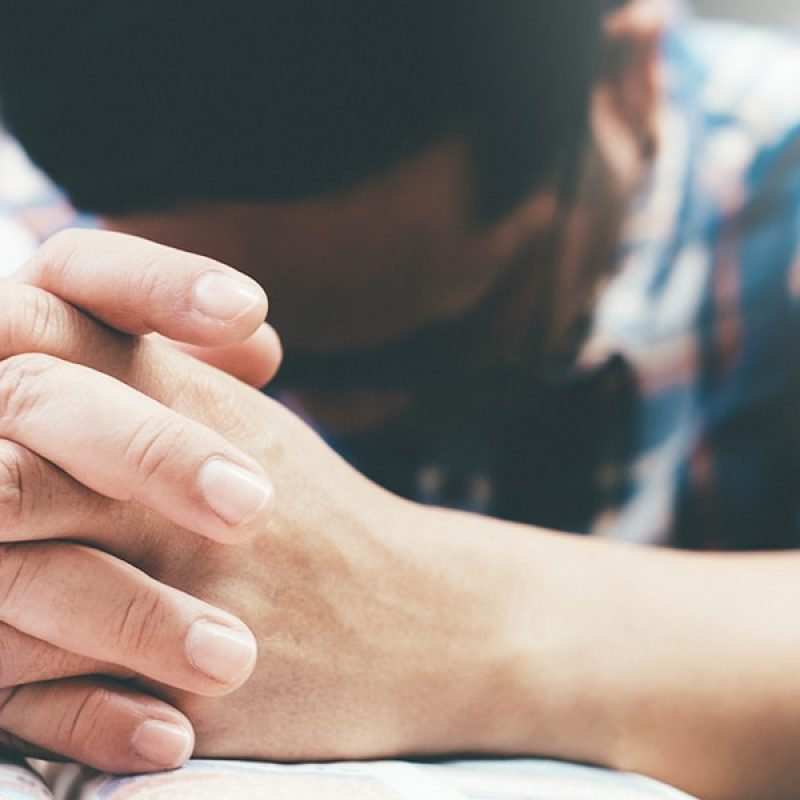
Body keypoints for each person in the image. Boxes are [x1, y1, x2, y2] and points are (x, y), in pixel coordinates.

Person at [0, 0, 800, 797]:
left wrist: (432, 616)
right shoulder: (45, 210)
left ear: (625, 82)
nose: (341, 420)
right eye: (294, 362)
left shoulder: (776, 188)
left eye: (424, 348)